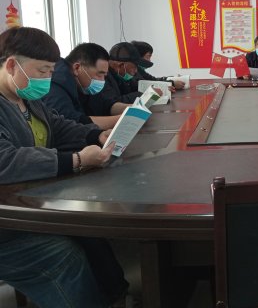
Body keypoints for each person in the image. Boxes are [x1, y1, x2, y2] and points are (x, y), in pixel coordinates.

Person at [0, 27, 128, 307]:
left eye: (51, 71)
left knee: (90, 231)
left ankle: (115, 295)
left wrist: (95, 135)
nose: (48, 79)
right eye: (42, 71)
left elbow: (57, 125)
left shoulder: (26, 99)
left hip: (30, 204)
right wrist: (76, 160)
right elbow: (5, 160)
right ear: (11, 65)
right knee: (64, 256)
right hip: (8, 224)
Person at [43, 43, 126, 130]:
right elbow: (71, 121)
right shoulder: (57, 83)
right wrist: (122, 120)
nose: (102, 81)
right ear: (77, 68)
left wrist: (131, 110)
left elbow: (105, 105)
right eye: (99, 75)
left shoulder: (83, 85)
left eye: (104, 76)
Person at [86, 41, 153, 116]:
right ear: (121, 66)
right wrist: (141, 95)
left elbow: (133, 86)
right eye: (134, 67)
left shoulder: (122, 75)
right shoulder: (102, 78)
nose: (136, 71)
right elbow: (112, 104)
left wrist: (148, 91)